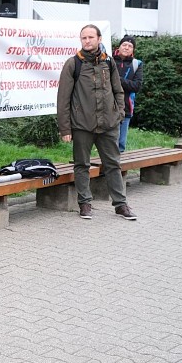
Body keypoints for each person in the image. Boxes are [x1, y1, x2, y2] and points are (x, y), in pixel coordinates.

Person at [56, 25, 136, 221]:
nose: (87, 41)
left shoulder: (108, 62)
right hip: (83, 124)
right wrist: (65, 127)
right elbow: (63, 99)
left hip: (109, 124)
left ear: (99, 39)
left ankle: (121, 205)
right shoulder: (73, 64)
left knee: (113, 164)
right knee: (81, 165)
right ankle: (84, 203)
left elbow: (118, 90)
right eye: (84, 38)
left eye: (91, 37)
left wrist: (118, 113)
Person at [114, 35, 143, 152]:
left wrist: (118, 80)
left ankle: (119, 169)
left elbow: (136, 86)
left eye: (130, 46)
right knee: (108, 143)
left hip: (126, 108)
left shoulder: (137, 64)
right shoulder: (108, 60)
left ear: (133, 49)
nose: (126, 48)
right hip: (108, 108)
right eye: (124, 45)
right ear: (119, 47)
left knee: (120, 144)